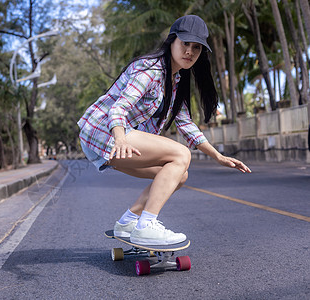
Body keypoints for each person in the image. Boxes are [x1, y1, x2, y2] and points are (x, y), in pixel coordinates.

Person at [77, 15, 251, 246]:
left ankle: (129, 221)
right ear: (172, 41)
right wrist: (119, 138)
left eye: (196, 47)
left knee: (180, 174)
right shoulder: (150, 70)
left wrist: (218, 156)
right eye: (185, 43)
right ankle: (146, 226)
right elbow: (119, 108)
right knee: (181, 154)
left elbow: (186, 125)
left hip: (113, 139)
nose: (189, 51)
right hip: (103, 131)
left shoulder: (176, 80)